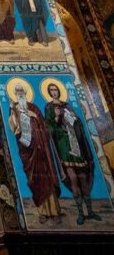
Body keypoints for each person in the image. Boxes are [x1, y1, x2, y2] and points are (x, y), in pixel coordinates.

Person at [44, 82, 101, 225]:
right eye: (52, 90)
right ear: (49, 92)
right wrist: (57, 118)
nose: (54, 92)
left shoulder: (67, 106)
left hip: (76, 144)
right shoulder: (49, 107)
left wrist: (74, 119)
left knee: (83, 178)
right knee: (73, 179)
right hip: (64, 146)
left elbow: (78, 124)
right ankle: (81, 213)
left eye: (56, 89)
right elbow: (50, 128)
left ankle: (90, 211)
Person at [8, 81, 61, 223]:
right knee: (35, 180)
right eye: (17, 91)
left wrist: (35, 116)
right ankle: (42, 211)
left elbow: (44, 126)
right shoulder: (15, 108)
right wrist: (14, 113)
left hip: (41, 149)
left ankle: (55, 212)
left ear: (25, 92)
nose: (20, 93)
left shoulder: (34, 108)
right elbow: (14, 129)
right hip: (27, 151)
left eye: (21, 90)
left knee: (47, 179)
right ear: (15, 94)